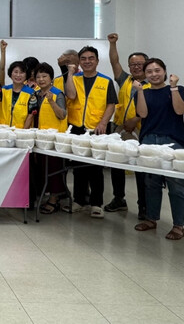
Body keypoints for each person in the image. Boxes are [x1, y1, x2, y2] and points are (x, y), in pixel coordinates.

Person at [134, 59, 184, 240]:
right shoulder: (142, 92)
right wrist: (140, 92)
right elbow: (142, 114)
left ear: (165, 71)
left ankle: (179, 225)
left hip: (173, 141)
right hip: (149, 140)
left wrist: (173, 88)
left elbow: (179, 110)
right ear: (145, 75)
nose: (154, 74)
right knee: (151, 183)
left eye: (157, 70)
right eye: (149, 71)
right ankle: (151, 219)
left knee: (176, 184)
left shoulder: (178, 89)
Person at [63, 46, 117, 218]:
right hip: (76, 127)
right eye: (84, 59)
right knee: (78, 167)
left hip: (97, 129)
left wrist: (103, 123)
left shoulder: (105, 81)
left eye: (91, 58)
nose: (87, 61)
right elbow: (71, 96)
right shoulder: (74, 78)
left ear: (97, 61)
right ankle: (79, 200)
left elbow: (111, 104)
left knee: (95, 168)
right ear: (79, 61)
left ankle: (96, 203)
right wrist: (70, 74)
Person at [104, 33, 149, 218]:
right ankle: (118, 199)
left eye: (140, 64)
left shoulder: (153, 84)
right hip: (119, 128)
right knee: (117, 165)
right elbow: (114, 62)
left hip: (142, 131)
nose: (136, 67)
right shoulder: (125, 80)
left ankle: (144, 206)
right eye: (132, 64)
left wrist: (136, 119)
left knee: (141, 169)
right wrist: (112, 44)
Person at [26, 63, 68, 214]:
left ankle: (54, 199)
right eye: (38, 77)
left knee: (54, 168)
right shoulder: (35, 94)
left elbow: (62, 115)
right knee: (42, 167)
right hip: (39, 137)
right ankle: (44, 194)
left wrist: (51, 101)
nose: (41, 79)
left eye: (44, 76)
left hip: (54, 139)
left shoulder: (57, 94)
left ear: (51, 78)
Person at [0, 60, 35, 128]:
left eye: (21, 72)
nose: (18, 75)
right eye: (16, 72)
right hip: (3, 128)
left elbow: (31, 115)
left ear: (26, 75)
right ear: (11, 74)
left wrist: (23, 131)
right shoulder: (4, 89)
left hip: (21, 129)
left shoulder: (31, 93)